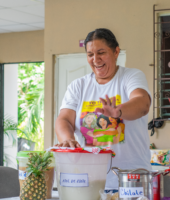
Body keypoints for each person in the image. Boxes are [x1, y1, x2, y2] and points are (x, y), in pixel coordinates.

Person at [55, 28, 152, 191]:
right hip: (89, 181)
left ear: (116, 52)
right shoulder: (78, 86)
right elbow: (64, 119)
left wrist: (117, 112)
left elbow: (142, 104)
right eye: (90, 54)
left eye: (101, 52)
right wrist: (67, 139)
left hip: (131, 180)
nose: (95, 59)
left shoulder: (131, 76)